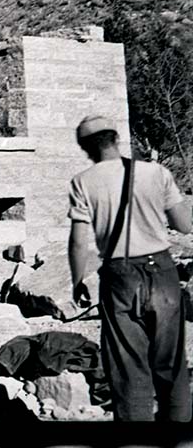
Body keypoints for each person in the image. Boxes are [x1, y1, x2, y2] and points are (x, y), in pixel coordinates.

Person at [67, 115, 192, 421]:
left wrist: (77, 280)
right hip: (162, 270)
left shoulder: (83, 182)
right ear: (116, 139)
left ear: (86, 148)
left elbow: (79, 243)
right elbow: (185, 225)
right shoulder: (156, 172)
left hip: (119, 276)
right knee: (171, 363)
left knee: (128, 366)